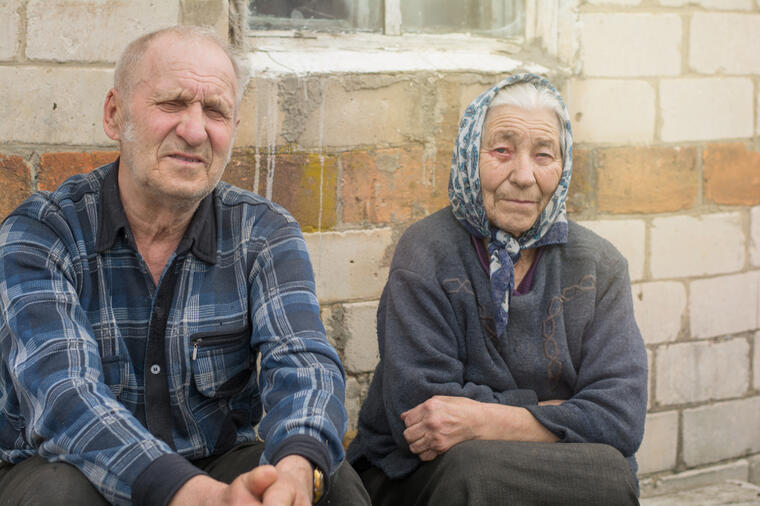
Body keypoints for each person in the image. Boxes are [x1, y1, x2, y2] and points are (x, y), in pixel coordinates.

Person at [0, 26, 369, 506]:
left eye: (215, 110)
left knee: (330, 484)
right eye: (172, 103)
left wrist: (296, 469)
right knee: (57, 494)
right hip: (75, 469)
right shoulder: (42, 233)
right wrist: (187, 493)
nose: (195, 131)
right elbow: (64, 398)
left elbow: (304, 364)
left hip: (213, 465)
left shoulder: (264, 232)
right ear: (115, 114)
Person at [347, 73, 648, 505]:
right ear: (471, 156)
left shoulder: (600, 264)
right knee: (478, 472)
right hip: (422, 477)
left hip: (547, 469)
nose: (524, 176)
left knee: (612, 477)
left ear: (563, 169)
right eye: (502, 151)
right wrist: (559, 413)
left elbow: (621, 419)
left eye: (544, 155)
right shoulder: (426, 252)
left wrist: (483, 418)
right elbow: (422, 417)